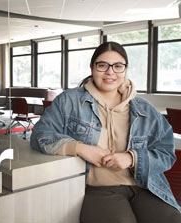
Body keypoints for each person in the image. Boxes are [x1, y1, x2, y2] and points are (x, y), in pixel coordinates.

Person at [30, 41, 181, 223]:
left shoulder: (145, 109)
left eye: (118, 66)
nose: (110, 72)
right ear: (92, 67)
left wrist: (132, 158)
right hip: (98, 188)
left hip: (146, 186)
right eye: (102, 65)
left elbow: (166, 153)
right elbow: (40, 135)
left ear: (125, 69)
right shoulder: (69, 101)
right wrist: (80, 148)